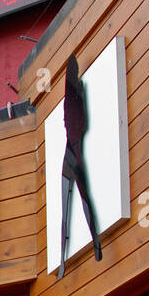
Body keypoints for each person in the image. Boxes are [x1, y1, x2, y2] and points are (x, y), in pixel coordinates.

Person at [58, 54, 102, 278]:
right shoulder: (74, 93)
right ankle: (67, 258)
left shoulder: (76, 92)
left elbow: (76, 123)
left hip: (74, 147)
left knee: (80, 201)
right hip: (72, 148)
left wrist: (75, 140)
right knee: (75, 203)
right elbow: (75, 122)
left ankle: (95, 244)